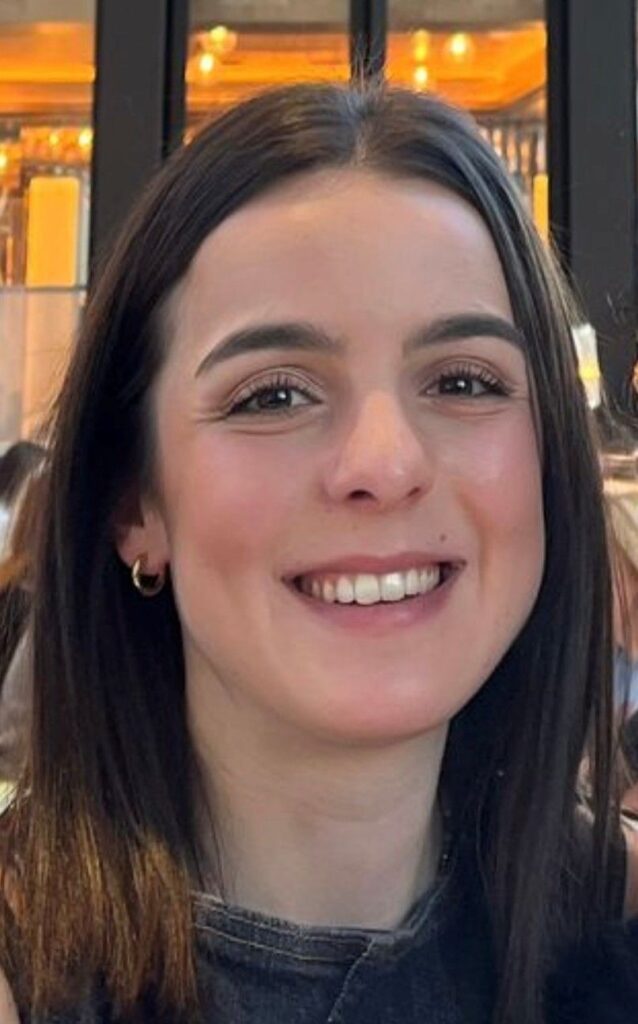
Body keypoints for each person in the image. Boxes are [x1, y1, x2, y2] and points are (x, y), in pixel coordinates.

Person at [0, 82, 633, 1024]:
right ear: (135, 504)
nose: (384, 462)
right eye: (273, 396)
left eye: (464, 380)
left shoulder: (615, 931)